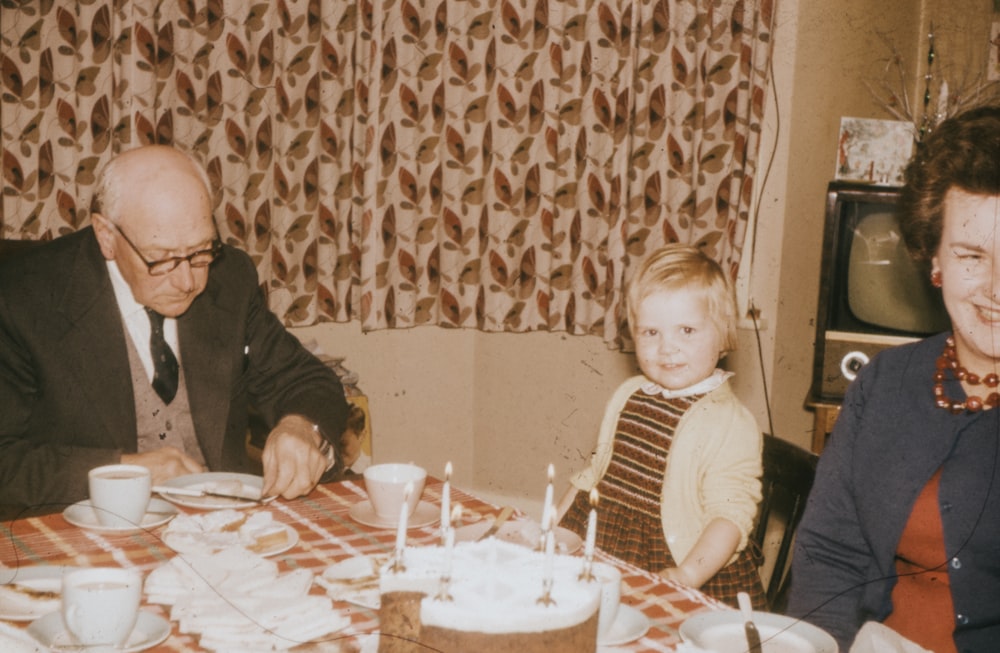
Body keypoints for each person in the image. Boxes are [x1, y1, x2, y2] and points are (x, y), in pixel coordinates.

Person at [0, 145, 349, 518]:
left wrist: (300, 427)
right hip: (92, 535)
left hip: (219, 530)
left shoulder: (228, 278)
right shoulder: (23, 299)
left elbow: (308, 380)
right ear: (106, 235)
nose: (188, 281)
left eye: (200, 251)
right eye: (162, 258)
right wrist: (126, 472)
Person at [787, 107, 1000, 652]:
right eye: (972, 255)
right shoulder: (884, 383)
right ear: (935, 259)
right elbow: (830, 555)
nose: (996, 288)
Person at [556, 243, 765, 608]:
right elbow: (594, 476)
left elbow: (729, 518)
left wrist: (686, 576)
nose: (667, 348)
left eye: (686, 330)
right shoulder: (629, 394)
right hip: (611, 553)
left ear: (723, 334)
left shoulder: (731, 423)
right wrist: (554, 533)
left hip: (689, 571)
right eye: (651, 333)